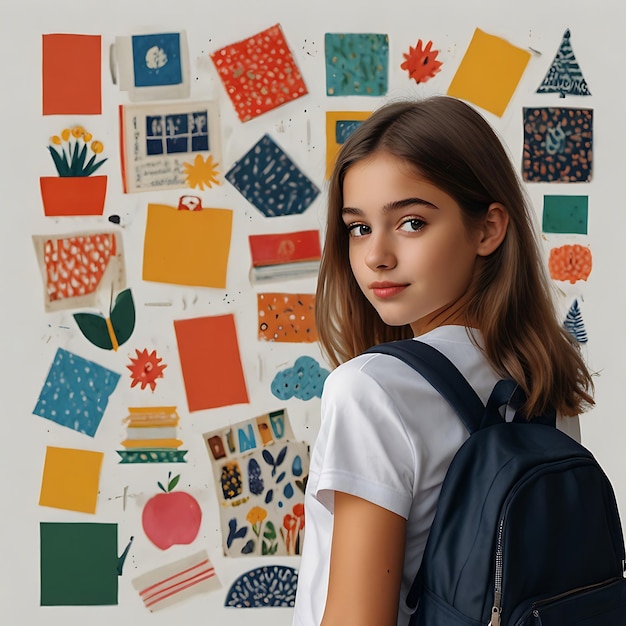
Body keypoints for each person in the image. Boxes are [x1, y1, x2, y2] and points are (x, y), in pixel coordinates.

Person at [292, 96, 594, 626]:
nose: (376, 255)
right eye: (359, 227)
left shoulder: (371, 388)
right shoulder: (544, 383)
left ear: (488, 229)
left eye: (410, 222)